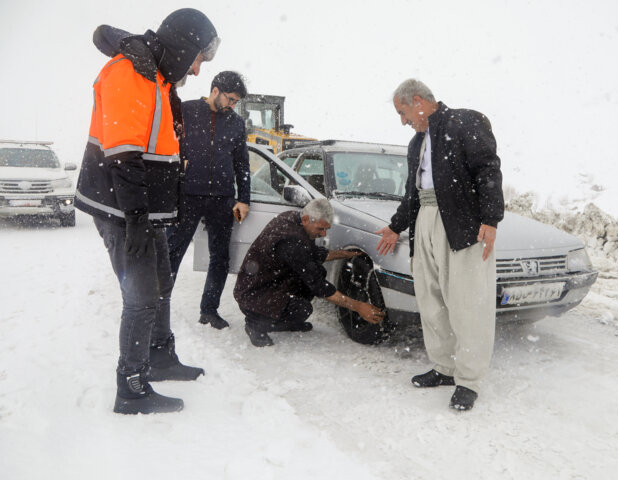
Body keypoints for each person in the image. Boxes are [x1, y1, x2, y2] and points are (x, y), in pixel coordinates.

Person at [74, 9, 220, 415]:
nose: (195, 69)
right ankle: (132, 386)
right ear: (182, 46)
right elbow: (122, 154)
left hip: (142, 208)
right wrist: (137, 219)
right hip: (121, 206)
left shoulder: (154, 76)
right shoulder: (129, 71)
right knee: (140, 295)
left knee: (161, 282)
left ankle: (158, 356)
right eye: (196, 58)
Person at [375, 79, 504, 411]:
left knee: (468, 302)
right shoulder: (415, 144)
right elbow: (412, 193)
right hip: (426, 221)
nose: (403, 120)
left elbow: (487, 169)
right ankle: (445, 368)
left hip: (462, 224)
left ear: (418, 100)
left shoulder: (464, 121)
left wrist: (490, 218)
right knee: (432, 300)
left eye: (403, 112)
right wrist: (395, 226)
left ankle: (469, 380)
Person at [234, 199, 386, 347]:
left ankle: (279, 319)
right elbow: (319, 286)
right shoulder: (292, 241)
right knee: (302, 309)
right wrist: (359, 307)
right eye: (320, 229)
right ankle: (256, 324)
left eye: (326, 229)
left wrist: (344, 254)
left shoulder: (294, 219)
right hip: (253, 295)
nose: (323, 234)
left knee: (317, 271)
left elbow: (312, 253)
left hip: (262, 284)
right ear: (306, 219)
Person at [166, 71, 251, 330]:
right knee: (172, 253)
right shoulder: (186, 110)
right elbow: (167, 143)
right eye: (231, 99)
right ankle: (157, 305)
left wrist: (243, 198)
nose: (233, 105)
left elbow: (242, 163)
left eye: (237, 101)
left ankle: (209, 310)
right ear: (215, 90)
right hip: (187, 194)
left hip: (222, 198)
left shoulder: (236, 123)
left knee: (220, 258)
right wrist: (178, 163)